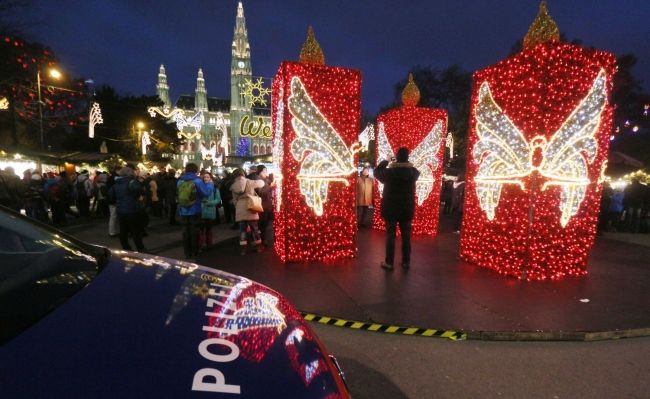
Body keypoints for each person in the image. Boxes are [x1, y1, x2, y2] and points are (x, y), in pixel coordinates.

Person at [374, 147, 420, 270]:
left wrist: (386, 161)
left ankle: (389, 263)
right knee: (406, 236)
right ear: (408, 157)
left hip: (391, 209)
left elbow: (376, 172)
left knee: (390, 236)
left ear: (396, 157)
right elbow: (415, 171)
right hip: (406, 209)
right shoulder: (413, 172)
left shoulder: (389, 173)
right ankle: (406, 262)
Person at [177, 163, 213, 259]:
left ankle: (187, 253)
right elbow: (206, 193)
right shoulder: (197, 181)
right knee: (194, 231)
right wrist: (210, 184)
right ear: (196, 171)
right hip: (195, 209)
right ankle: (195, 252)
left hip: (183, 210)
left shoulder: (180, 181)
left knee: (185, 231)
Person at [109, 166, 146, 252]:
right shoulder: (131, 182)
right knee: (135, 230)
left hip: (120, 209)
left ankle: (126, 247)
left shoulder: (117, 182)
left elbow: (111, 194)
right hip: (131, 209)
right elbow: (140, 190)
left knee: (123, 229)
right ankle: (140, 248)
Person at [230, 168, 265, 254]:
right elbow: (262, 183)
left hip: (240, 208)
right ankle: (258, 246)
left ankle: (243, 249)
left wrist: (238, 207)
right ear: (243, 174)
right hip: (250, 206)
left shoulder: (233, 186)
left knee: (242, 230)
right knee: (254, 228)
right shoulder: (249, 181)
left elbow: (234, 200)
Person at [252, 165, 275, 246]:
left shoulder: (265, 179)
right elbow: (261, 192)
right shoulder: (258, 180)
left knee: (267, 223)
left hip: (267, 204)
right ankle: (262, 240)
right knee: (263, 224)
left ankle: (264, 239)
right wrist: (270, 187)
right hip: (262, 205)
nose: (266, 173)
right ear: (260, 172)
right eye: (264, 171)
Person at [199, 172, 222, 250]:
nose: (205, 178)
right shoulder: (199, 187)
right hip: (200, 211)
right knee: (201, 230)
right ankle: (201, 245)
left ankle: (209, 245)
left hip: (210, 211)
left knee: (209, 230)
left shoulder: (215, 188)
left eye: (207, 177)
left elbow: (218, 200)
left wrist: (210, 203)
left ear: (211, 178)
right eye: (204, 177)